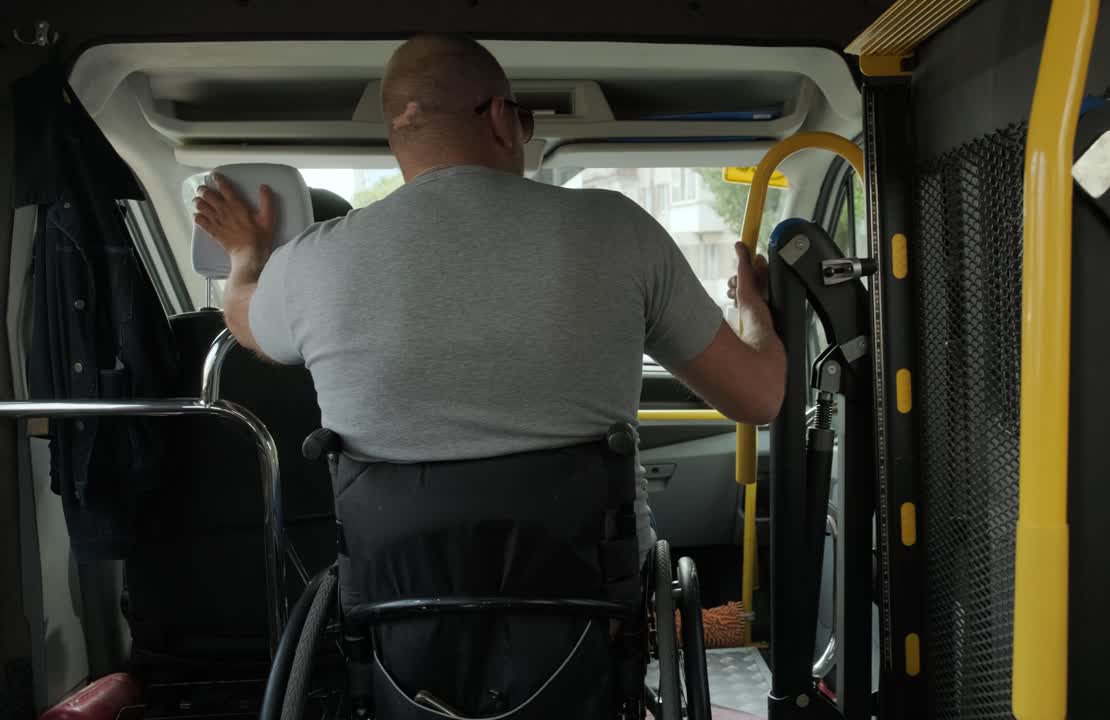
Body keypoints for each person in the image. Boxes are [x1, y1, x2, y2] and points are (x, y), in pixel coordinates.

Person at [193, 33, 784, 712]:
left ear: (396, 136)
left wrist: (246, 256)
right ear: (502, 117)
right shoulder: (617, 230)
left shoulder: (313, 262)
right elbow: (760, 397)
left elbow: (243, 321)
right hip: (593, 618)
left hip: (396, 622)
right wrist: (757, 316)